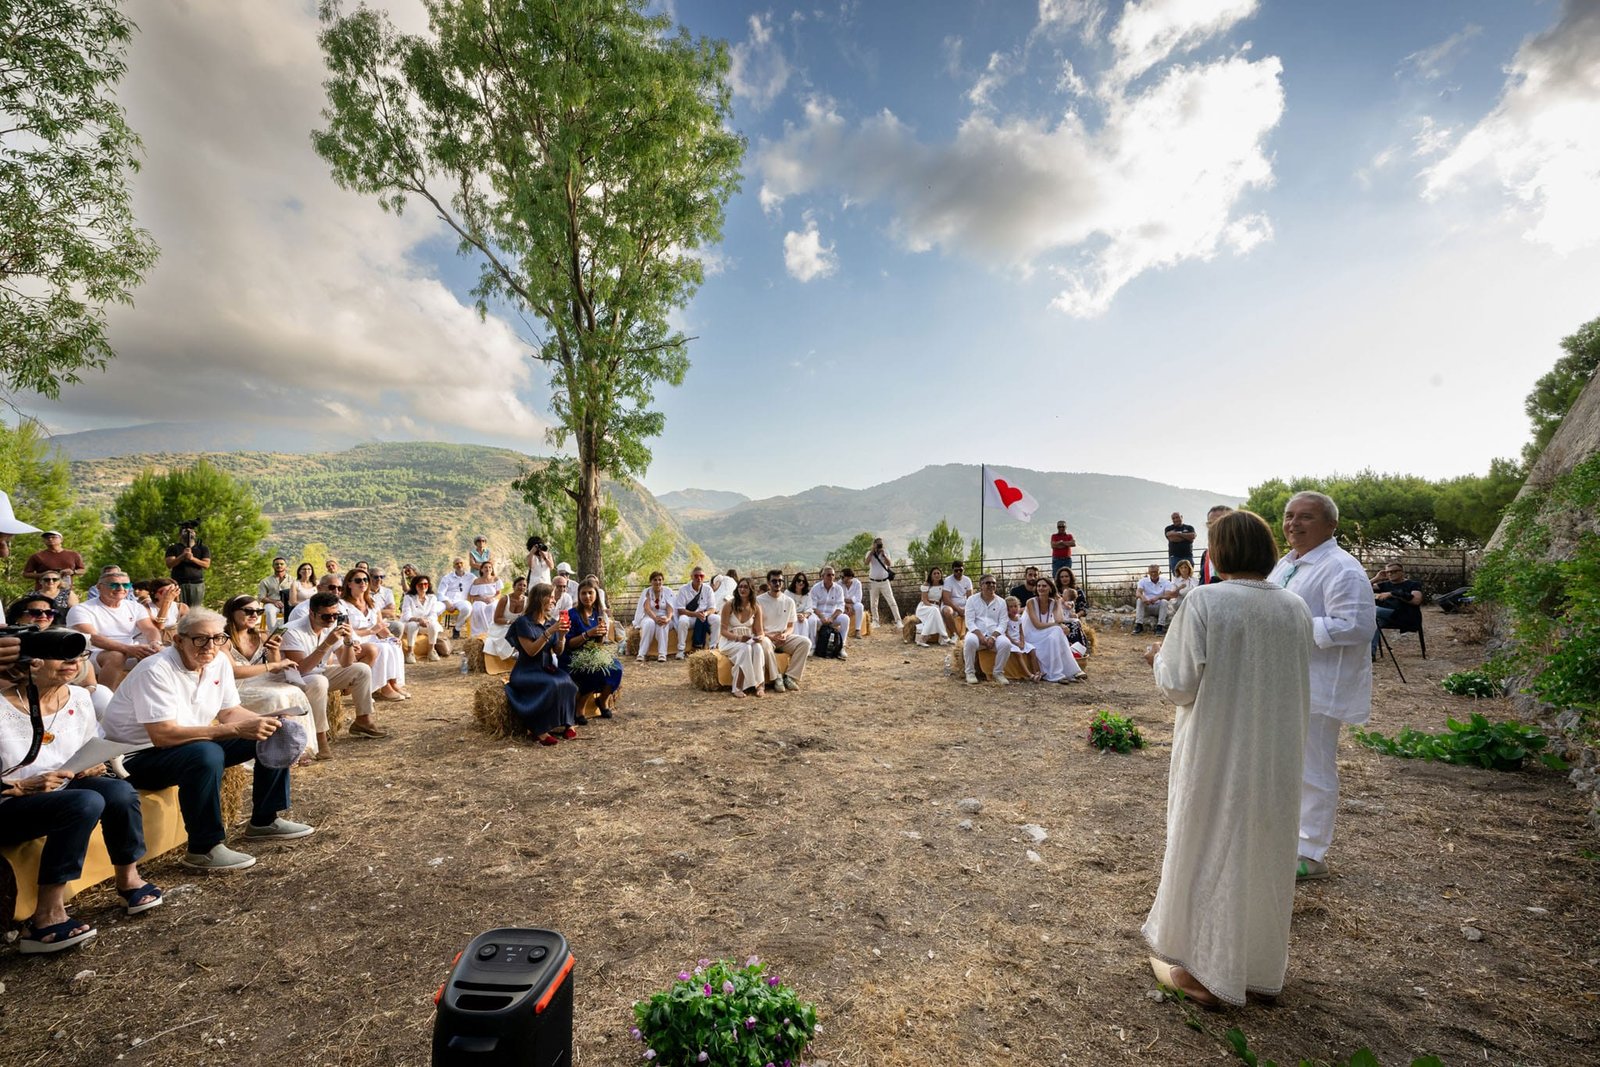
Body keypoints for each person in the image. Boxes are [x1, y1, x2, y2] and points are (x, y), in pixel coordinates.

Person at [1142, 508, 1313, 1008]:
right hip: (1276, 752)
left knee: (1211, 845)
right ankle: (1255, 968)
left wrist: (1157, 660)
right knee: (1262, 852)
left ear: (1217, 553)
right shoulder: (1294, 607)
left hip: (1218, 750)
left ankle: (1204, 975)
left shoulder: (1205, 601)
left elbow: (1179, 685)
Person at [102, 610, 314, 872]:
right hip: (133, 759)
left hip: (182, 744)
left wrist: (267, 721)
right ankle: (203, 849)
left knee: (271, 732)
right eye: (200, 639)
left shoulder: (218, 662)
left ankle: (264, 820)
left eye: (217, 638)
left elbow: (229, 712)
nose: (210, 646)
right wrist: (234, 729)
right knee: (205, 753)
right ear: (179, 640)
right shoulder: (155, 670)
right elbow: (163, 735)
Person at [0, 614, 159, 953]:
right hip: (10, 802)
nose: (73, 662)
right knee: (84, 802)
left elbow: (86, 748)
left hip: (59, 790)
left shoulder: (79, 698)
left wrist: (90, 765)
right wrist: (24, 786)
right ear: (29, 663)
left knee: (118, 791)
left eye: (78, 654)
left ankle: (128, 879)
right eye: (61, 654)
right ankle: (45, 917)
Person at [1266, 491, 1376, 882]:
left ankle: (1311, 853)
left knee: (1313, 768)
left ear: (1331, 524)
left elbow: (1356, 625)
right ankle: (1286, 839)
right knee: (1285, 765)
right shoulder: (1287, 564)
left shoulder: (1341, 568)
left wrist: (1289, 626)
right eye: (1288, 515)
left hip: (1316, 684)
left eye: (1305, 517)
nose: (1293, 523)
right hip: (1284, 680)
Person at [279, 590, 385, 744]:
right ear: (312, 613)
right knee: (319, 681)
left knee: (362, 670)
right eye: (326, 616)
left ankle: (363, 721)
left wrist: (348, 642)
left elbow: (346, 662)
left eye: (335, 615)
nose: (331, 619)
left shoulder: (332, 625)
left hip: (319, 673)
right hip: (294, 679)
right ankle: (320, 738)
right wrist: (326, 643)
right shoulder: (292, 630)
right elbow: (301, 669)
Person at [221, 595, 318, 759]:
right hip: (237, 686)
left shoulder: (261, 635)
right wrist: (271, 666)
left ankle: (296, 747)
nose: (254, 615)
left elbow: (274, 669)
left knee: (294, 692)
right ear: (232, 612)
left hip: (262, 680)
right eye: (248, 611)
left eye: (258, 611)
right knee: (274, 696)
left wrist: (274, 651)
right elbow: (234, 672)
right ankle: (273, 749)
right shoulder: (223, 640)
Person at [67, 567, 163, 689]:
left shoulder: (135, 607)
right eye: (114, 585)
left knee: (160, 652)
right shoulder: (81, 609)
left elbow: (150, 629)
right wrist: (128, 649)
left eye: (126, 585)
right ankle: (106, 695)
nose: (121, 589)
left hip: (130, 650)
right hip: (91, 653)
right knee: (116, 656)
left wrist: (155, 643)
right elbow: (93, 638)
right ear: (99, 587)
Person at [505, 582, 577, 744]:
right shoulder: (523, 622)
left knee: (568, 682)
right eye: (550, 597)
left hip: (546, 668)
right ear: (539, 598)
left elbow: (558, 651)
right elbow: (531, 651)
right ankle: (539, 730)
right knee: (551, 684)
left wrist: (562, 636)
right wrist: (550, 631)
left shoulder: (550, 621)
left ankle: (568, 723)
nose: (554, 600)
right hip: (526, 671)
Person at [341, 569, 408, 702]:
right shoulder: (343, 605)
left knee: (393, 644)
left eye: (365, 580)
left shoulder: (371, 603)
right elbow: (347, 632)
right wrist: (371, 631)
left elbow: (380, 626)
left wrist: (390, 636)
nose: (363, 583)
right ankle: (383, 687)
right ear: (349, 584)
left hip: (372, 638)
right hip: (354, 641)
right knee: (382, 648)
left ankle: (393, 683)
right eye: (358, 580)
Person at [561, 579, 622, 718]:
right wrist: (588, 634)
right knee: (593, 669)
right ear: (578, 595)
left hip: (592, 653)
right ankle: (581, 705)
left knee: (617, 668)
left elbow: (598, 643)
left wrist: (601, 635)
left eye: (590, 593)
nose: (587, 596)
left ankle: (603, 699)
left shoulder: (597, 613)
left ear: (596, 594)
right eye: (583, 593)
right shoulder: (572, 614)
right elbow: (569, 644)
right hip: (572, 656)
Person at [756, 570, 810, 692]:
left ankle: (790, 677)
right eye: (774, 581)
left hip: (782, 637)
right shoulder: (759, 601)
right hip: (766, 636)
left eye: (780, 581)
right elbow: (756, 627)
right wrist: (770, 636)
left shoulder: (789, 601)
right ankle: (777, 677)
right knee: (764, 643)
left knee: (805, 642)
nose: (777, 583)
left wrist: (785, 635)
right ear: (768, 583)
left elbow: (790, 626)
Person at [1024, 577, 1085, 683]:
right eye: (1039, 586)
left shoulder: (1053, 602)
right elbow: (1037, 625)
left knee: (1056, 633)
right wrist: (1059, 626)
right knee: (1057, 630)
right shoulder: (1031, 602)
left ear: (1050, 588)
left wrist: (1058, 601)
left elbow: (1059, 619)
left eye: (1044, 586)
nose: (1041, 588)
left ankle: (1064, 672)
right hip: (1031, 634)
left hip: (1045, 631)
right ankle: (1061, 673)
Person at [719, 578, 771, 698]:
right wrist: (738, 638)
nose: (742, 589)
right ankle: (737, 686)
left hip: (748, 639)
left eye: (745, 587)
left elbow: (760, 631)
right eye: (740, 586)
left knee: (758, 648)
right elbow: (723, 631)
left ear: (751, 590)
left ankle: (760, 685)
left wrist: (760, 638)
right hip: (730, 640)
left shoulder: (756, 607)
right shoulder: (729, 605)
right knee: (745, 649)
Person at [962, 575, 1012, 685]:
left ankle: (998, 672)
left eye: (993, 583)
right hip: (976, 633)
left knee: (1006, 644)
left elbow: (1003, 623)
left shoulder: (1001, 602)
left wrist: (993, 637)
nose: (991, 585)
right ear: (981, 585)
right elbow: (969, 621)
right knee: (969, 641)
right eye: (988, 583)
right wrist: (980, 636)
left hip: (995, 634)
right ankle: (970, 672)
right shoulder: (972, 600)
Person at [1371, 560, 1423, 659]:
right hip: (1388, 617)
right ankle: (1371, 654)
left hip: (1406, 616)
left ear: (1402, 572)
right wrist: (1376, 578)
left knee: (1372, 610)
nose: (1391, 574)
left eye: (1394, 571)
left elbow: (1416, 600)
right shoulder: (1385, 585)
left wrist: (1392, 594)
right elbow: (1362, 587)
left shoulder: (1413, 584)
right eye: (1388, 572)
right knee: (1372, 623)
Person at [23, 530, 86, 607]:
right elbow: (26, 574)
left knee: (69, 610)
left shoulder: (73, 555)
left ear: (61, 540)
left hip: (65, 591)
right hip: (44, 591)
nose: (50, 539)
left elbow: (83, 570)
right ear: (44, 541)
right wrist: (42, 575)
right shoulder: (37, 556)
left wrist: (73, 572)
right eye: (47, 538)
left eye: (53, 537)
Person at [164, 521, 212, 608]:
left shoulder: (202, 548)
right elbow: (169, 564)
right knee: (180, 608)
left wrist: (192, 558)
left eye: (191, 531)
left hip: (196, 584)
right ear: (180, 534)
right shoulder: (173, 548)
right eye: (185, 531)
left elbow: (206, 564)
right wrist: (182, 556)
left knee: (195, 610)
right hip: (179, 583)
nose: (189, 533)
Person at [482, 576, 529, 662]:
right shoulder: (504, 599)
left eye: (524, 585)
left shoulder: (527, 601)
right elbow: (496, 619)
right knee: (509, 634)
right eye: (519, 585)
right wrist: (510, 622)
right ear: (513, 586)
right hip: (502, 626)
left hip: (518, 627)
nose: (522, 587)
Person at [401, 573, 446, 662]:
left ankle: (431, 651)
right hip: (410, 623)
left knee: (433, 625)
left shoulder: (432, 598)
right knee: (413, 625)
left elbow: (433, 614)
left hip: (425, 623)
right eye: (420, 584)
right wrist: (419, 620)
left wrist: (426, 621)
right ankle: (410, 652)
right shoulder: (408, 597)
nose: (423, 586)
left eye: (425, 584)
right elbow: (406, 615)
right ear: (415, 586)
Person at [673, 567, 716, 656]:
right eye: (696, 576)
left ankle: (713, 648)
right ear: (691, 577)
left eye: (701, 576)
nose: (699, 578)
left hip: (703, 616)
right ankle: (681, 650)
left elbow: (712, 608)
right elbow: (681, 610)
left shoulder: (708, 589)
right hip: (690, 617)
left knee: (717, 619)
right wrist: (696, 614)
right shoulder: (683, 589)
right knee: (683, 620)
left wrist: (705, 614)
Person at [634, 571, 675, 662]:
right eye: (655, 580)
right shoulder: (647, 592)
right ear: (651, 582)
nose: (657, 582)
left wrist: (668, 619)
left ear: (663, 581)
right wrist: (655, 618)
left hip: (664, 615)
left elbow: (670, 608)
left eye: (660, 580)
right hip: (649, 616)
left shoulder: (668, 591)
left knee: (662, 624)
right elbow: (647, 608)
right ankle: (641, 654)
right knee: (649, 623)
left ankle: (662, 654)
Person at [811, 566, 850, 659]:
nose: (831, 577)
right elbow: (812, 606)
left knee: (845, 619)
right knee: (811, 621)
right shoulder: (815, 588)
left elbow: (841, 605)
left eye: (833, 575)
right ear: (822, 576)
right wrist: (821, 616)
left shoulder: (838, 589)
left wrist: (832, 617)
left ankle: (841, 647)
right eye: (828, 575)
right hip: (819, 615)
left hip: (833, 615)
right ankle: (813, 647)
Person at [1002, 597, 1043, 682]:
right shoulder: (1006, 620)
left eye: (1015, 606)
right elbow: (1006, 634)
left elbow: (1021, 632)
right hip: (1011, 642)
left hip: (1019, 641)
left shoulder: (1019, 618)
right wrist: (1016, 643)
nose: (1014, 609)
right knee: (1018, 654)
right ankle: (1030, 675)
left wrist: (1022, 642)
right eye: (1011, 607)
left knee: (1032, 650)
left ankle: (1036, 672)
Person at [864, 537, 903, 627]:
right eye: (877, 543)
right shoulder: (869, 553)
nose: (879, 545)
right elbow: (866, 563)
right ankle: (875, 621)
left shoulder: (886, 552)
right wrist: (872, 552)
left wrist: (884, 555)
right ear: (874, 544)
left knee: (891, 601)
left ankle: (898, 621)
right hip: (872, 582)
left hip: (884, 581)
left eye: (880, 544)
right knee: (873, 602)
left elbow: (889, 564)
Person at [1135, 564, 1177, 635]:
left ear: (1159, 572)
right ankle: (1139, 625)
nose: (1153, 574)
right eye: (1151, 572)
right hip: (1147, 606)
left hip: (1159, 607)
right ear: (1148, 572)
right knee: (1139, 600)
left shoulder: (1166, 582)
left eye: (1155, 572)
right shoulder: (1143, 581)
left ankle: (1160, 626)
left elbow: (1168, 596)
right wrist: (1143, 597)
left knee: (1164, 601)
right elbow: (1138, 593)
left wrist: (1158, 598)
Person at [466, 560, 504, 639]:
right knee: (478, 608)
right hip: (480, 599)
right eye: (485, 567)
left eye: (490, 567)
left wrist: (493, 598)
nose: (488, 569)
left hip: (493, 599)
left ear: (492, 569)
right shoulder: (477, 581)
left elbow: (498, 593)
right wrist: (482, 599)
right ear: (482, 569)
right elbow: (473, 596)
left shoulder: (496, 579)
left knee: (493, 607)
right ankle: (479, 633)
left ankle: (492, 631)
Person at [914, 566, 952, 645]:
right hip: (924, 607)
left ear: (941, 575)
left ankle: (922, 639)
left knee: (934, 613)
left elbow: (942, 600)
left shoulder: (943, 586)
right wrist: (933, 607)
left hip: (936, 608)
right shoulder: (927, 584)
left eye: (938, 573)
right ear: (931, 575)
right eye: (934, 573)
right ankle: (945, 636)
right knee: (934, 610)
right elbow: (924, 600)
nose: (936, 575)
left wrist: (939, 608)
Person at [1199, 505, 1233, 584]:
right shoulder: (1206, 555)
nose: (1214, 528)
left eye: (1220, 523)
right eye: (1210, 524)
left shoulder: (1244, 553)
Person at [438, 558, 473, 635]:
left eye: (461, 563)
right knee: (435, 609)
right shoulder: (447, 578)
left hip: (461, 601)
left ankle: (457, 628)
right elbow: (440, 593)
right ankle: (434, 630)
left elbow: (480, 583)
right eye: (457, 564)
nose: (459, 565)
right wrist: (447, 603)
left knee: (467, 608)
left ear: (464, 565)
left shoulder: (471, 577)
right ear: (453, 566)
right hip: (446, 601)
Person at [256, 557, 292, 630]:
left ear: (286, 566)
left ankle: (288, 631)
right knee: (269, 611)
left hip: (287, 603)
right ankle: (273, 633)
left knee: (291, 611)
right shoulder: (265, 581)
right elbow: (261, 597)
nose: (279, 565)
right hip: (271, 603)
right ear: (273, 566)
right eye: (277, 564)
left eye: (281, 564)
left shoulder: (293, 580)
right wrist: (274, 602)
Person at [787, 572, 818, 644]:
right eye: (799, 580)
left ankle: (806, 644)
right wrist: (795, 615)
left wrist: (804, 615)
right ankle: (795, 644)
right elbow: (786, 607)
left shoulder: (807, 594)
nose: (801, 583)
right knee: (795, 622)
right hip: (791, 615)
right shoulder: (788, 592)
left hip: (803, 615)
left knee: (805, 622)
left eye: (803, 581)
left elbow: (809, 608)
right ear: (795, 581)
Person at [1165, 511, 1196, 578]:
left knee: (1189, 576)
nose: (1175, 519)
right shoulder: (1168, 528)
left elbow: (1192, 536)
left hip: (1188, 555)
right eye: (1173, 518)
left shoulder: (1189, 527)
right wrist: (1186, 537)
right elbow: (1172, 539)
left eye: (1177, 517)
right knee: (1177, 577)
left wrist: (1177, 534)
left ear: (1181, 517)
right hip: (1174, 556)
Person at [839, 568, 866, 637]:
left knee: (860, 606)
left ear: (850, 577)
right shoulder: (839, 584)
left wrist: (846, 601)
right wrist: (846, 604)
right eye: (840, 576)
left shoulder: (857, 583)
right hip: (842, 604)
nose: (841, 579)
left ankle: (858, 630)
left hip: (854, 604)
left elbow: (858, 598)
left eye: (843, 577)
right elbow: (838, 599)